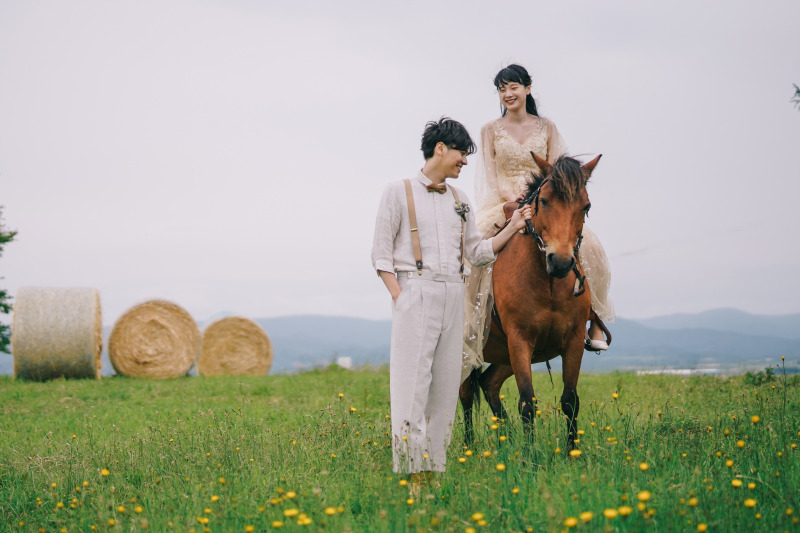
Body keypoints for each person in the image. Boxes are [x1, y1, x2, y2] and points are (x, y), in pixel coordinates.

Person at [371, 117, 532, 481]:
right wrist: (401, 297)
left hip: (454, 293)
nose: (464, 161)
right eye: (461, 153)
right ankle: (412, 472)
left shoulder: (461, 200)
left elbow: (477, 253)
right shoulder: (398, 191)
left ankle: (433, 471)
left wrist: (513, 226)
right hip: (415, 290)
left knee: (445, 385)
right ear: (440, 148)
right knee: (413, 385)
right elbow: (381, 256)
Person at [462, 64, 615, 383]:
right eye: (502, 89)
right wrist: (516, 198)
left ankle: (594, 318)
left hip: (546, 199)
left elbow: (561, 169)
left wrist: (543, 196)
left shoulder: (547, 127)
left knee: (593, 246)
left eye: (513, 86)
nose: (508, 94)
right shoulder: (490, 129)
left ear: (528, 89)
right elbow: (490, 176)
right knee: (473, 254)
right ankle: (471, 324)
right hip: (506, 201)